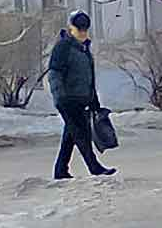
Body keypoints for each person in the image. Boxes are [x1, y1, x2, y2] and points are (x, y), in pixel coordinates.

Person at [49, 10, 116, 180]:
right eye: (79, 29)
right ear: (71, 28)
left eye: (85, 29)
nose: (82, 33)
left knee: (71, 135)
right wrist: (60, 97)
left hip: (82, 99)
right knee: (82, 134)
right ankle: (94, 167)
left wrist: (94, 102)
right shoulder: (63, 47)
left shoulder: (84, 49)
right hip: (67, 99)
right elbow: (54, 73)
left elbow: (89, 78)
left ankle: (60, 171)